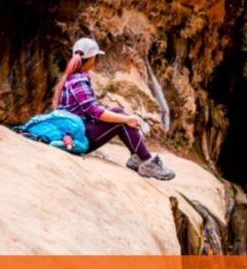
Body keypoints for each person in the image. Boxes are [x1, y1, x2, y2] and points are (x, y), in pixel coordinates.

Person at [53, 37, 175, 180]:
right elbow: (94, 111)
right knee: (120, 119)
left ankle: (138, 157)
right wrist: (126, 119)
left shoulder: (72, 78)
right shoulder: (79, 81)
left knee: (117, 114)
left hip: (73, 132)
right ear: (93, 58)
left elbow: (88, 110)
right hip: (77, 137)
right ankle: (146, 161)